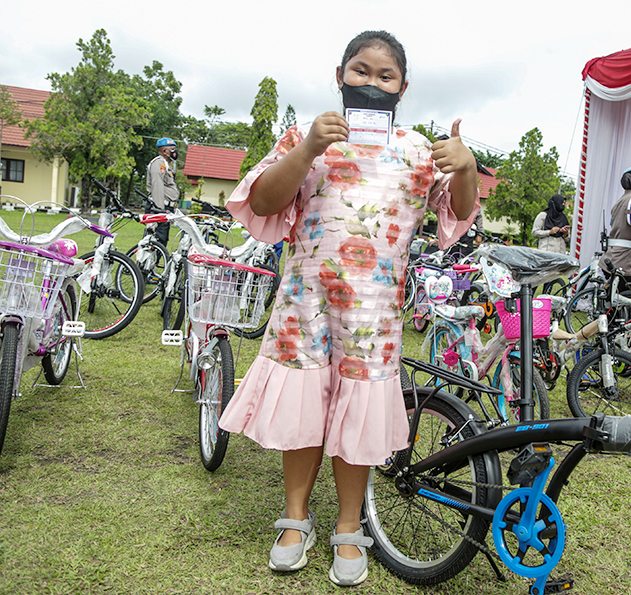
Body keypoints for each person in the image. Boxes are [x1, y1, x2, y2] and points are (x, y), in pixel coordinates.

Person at [217, 31, 479, 586]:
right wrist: (309, 147)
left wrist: (466, 166)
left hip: (374, 315)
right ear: (339, 75)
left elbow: (457, 216)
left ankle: (347, 525)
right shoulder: (305, 136)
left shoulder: (417, 150)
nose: (372, 83)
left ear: (403, 88)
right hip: (304, 302)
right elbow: (263, 201)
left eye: (385, 77)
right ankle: (294, 519)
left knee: (355, 415)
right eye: (361, 71)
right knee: (306, 410)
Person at [146, 137, 180, 246]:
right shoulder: (158, 163)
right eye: (172, 149)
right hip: (159, 207)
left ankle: (154, 262)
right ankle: (148, 263)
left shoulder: (165, 164)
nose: (175, 152)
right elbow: (157, 187)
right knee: (157, 240)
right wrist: (159, 210)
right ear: (165, 151)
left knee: (162, 239)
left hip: (166, 207)